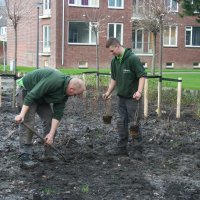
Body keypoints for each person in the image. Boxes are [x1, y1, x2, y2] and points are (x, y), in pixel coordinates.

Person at [15, 68, 86, 169]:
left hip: (41, 97)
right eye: (75, 95)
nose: (74, 96)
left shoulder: (65, 94)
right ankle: (25, 155)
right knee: (29, 121)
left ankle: (48, 153)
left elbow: (58, 114)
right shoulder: (55, 80)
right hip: (27, 90)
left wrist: (51, 134)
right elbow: (32, 95)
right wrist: (21, 115)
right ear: (71, 90)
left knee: (49, 120)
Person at [103, 37, 146, 157]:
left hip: (133, 99)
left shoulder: (132, 59)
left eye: (112, 51)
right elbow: (114, 78)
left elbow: (142, 76)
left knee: (134, 124)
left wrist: (139, 92)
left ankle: (137, 149)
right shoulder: (115, 61)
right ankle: (122, 148)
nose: (111, 53)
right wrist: (108, 92)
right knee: (121, 122)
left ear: (117, 46)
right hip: (121, 98)